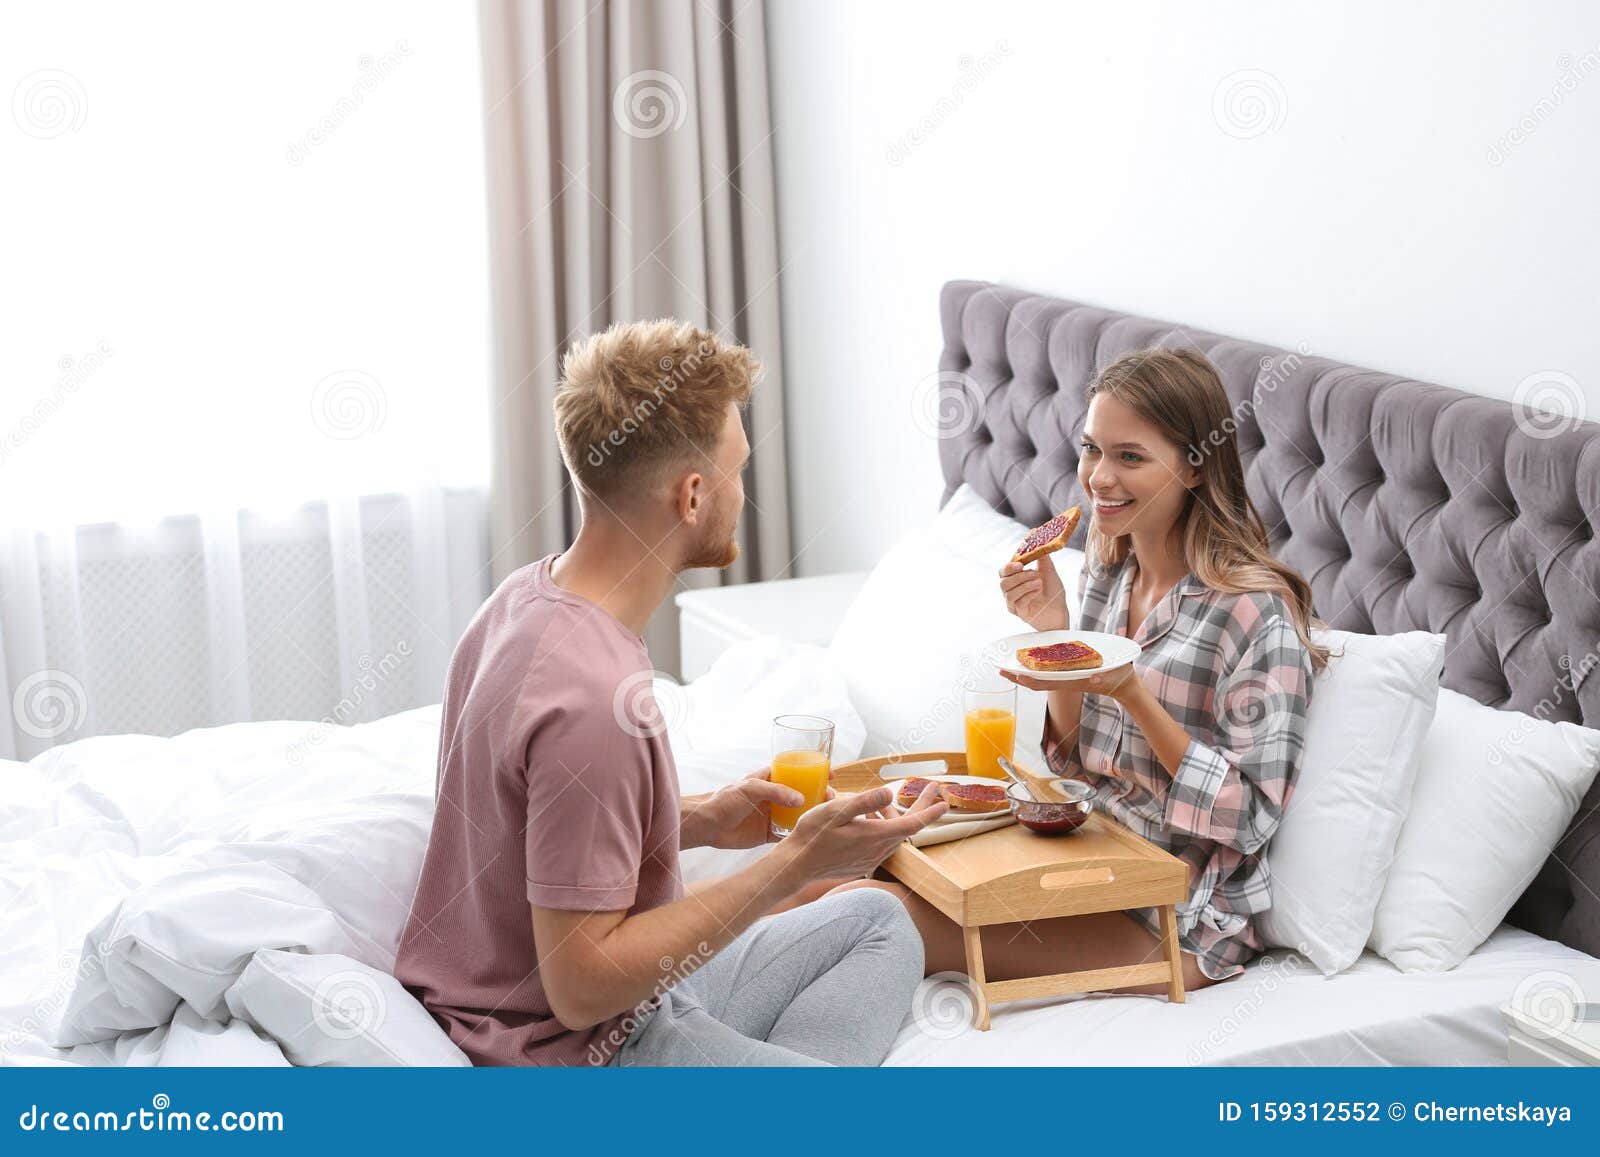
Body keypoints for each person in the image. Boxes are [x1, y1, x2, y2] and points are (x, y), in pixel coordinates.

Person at [394, 319, 947, 1067]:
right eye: (737, 469)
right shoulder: (592, 704)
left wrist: (696, 819)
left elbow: (537, 827)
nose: (743, 492)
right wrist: (795, 862)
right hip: (572, 1052)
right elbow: (583, 987)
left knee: (880, 918)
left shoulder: (520, 601)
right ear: (692, 495)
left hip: (581, 1007)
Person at [830, 347, 1325, 995]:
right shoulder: (1109, 570)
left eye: (1131, 456)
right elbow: (1076, 767)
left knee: (878, 916)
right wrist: (1056, 631)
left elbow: (1252, 816)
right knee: (852, 883)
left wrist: (1135, 695)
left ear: (1197, 469)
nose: (1099, 478)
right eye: (1093, 449)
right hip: (1086, 855)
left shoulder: (1257, 615)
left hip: (1171, 917)